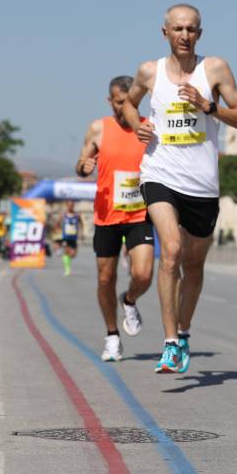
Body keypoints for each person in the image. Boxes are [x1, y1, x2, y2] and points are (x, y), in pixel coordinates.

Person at [122, 3, 237, 373]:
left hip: (203, 183)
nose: (184, 35)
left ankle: (185, 329)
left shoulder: (215, 69)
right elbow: (129, 106)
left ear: (200, 34)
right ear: (165, 33)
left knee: (193, 266)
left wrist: (208, 106)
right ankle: (170, 342)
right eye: (177, 29)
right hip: (160, 173)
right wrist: (137, 125)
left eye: (191, 29)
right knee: (172, 251)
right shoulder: (149, 71)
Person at [76, 76, 156, 362]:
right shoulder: (98, 129)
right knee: (105, 277)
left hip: (140, 213)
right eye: (119, 102)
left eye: (129, 102)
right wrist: (84, 166)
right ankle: (112, 335)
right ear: (110, 101)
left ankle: (130, 299)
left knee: (144, 274)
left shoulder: (147, 128)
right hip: (106, 215)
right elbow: (82, 166)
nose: (124, 108)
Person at [58, 201, 81, 276]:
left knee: (73, 254)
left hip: (74, 237)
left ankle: (67, 261)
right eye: (69, 206)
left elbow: (81, 224)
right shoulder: (63, 215)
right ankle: (67, 270)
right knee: (66, 252)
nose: (70, 207)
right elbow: (58, 223)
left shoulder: (77, 215)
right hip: (66, 237)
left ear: (73, 206)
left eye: (72, 205)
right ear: (67, 206)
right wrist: (58, 230)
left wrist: (81, 233)